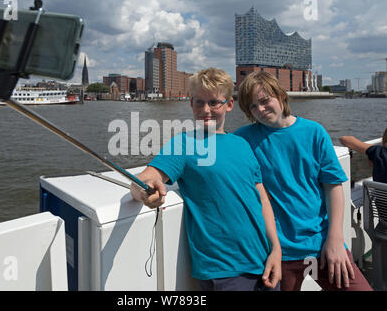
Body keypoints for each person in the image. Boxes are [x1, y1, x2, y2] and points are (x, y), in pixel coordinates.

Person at [130, 68, 282, 291]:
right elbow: (144, 179)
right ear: (191, 104)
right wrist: (144, 191)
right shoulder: (183, 143)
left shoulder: (242, 145)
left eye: (214, 102)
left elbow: (262, 199)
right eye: (199, 102)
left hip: (264, 263)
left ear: (229, 105)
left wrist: (276, 250)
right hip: (224, 272)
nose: (205, 110)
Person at [234, 70, 372, 291]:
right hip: (276, 253)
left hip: (322, 246)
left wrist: (335, 240)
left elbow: (333, 186)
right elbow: (212, 156)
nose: (260, 109)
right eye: (252, 106)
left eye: (264, 100)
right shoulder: (242, 140)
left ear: (281, 96)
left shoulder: (314, 132)